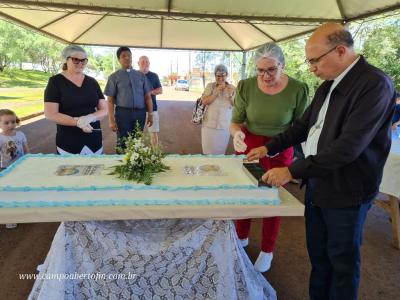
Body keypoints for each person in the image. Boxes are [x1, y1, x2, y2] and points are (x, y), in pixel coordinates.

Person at [247, 23, 395, 299]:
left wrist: (290, 170)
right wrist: (268, 148)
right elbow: (301, 128)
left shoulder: (374, 85)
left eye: (315, 60)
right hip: (319, 183)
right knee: (319, 256)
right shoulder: (328, 86)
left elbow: (346, 149)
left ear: (340, 51)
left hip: (347, 191)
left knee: (341, 263)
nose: (311, 67)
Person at [230, 43, 309, 272]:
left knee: (272, 197)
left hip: (280, 146)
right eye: (260, 70)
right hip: (249, 145)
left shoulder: (297, 89)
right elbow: (236, 121)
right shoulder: (245, 86)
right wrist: (236, 134)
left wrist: (280, 148)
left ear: (282, 65)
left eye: (271, 70)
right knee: (245, 192)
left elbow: (301, 127)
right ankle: (241, 235)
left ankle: (267, 249)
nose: (265, 76)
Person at [44, 45, 107, 154]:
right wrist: (77, 122)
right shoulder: (55, 82)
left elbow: (104, 109)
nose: (80, 63)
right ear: (66, 60)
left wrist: (91, 117)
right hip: (68, 141)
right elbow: (50, 114)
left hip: (94, 138)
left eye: (83, 60)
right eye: (75, 60)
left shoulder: (92, 82)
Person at [105, 47, 153, 150]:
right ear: (119, 59)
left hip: (140, 113)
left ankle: (135, 164)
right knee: (123, 142)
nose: (127, 58)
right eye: (123, 56)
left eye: (129, 55)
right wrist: (111, 120)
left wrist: (150, 114)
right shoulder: (114, 77)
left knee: (137, 141)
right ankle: (122, 164)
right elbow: (110, 100)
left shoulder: (141, 76)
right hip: (123, 114)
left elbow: (148, 97)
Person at [0, 109, 30, 229]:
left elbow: (26, 148)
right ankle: (11, 217)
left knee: (22, 189)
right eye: (6, 123)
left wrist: (30, 160)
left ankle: (22, 211)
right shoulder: (1, 138)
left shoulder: (20, 135)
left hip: (21, 166)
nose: (11, 125)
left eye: (13, 122)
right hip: (6, 168)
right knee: (9, 192)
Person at [201, 64, 235, 154]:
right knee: (207, 153)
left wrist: (230, 95)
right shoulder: (210, 86)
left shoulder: (232, 88)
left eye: (223, 75)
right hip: (208, 125)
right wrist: (215, 93)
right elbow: (204, 101)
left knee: (220, 153)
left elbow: (236, 105)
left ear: (227, 75)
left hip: (224, 127)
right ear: (215, 75)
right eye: (218, 76)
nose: (220, 78)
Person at [138, 55, 162, 148]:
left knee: (153, 133)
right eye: (143, 61)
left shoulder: (154, 76)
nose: (145, 63)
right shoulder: (134, 75)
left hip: (152, 110)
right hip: (138, 110)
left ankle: (154, 154)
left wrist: (150, 92)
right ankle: (136, 156)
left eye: (147, 62)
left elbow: (160, 90)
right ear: (138, 63)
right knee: (137, 133)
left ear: (149, 64)